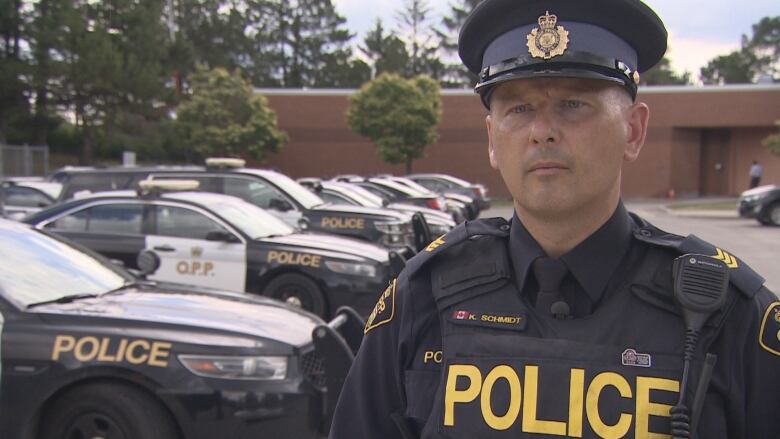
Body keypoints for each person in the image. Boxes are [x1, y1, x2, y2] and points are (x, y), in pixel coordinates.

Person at [328, 0, 779, 438]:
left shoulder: (726, 315)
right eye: (519, 109)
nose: (542, 131)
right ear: (491, 139)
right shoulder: (423, 297)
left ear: (634, 131)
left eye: (573, 104)